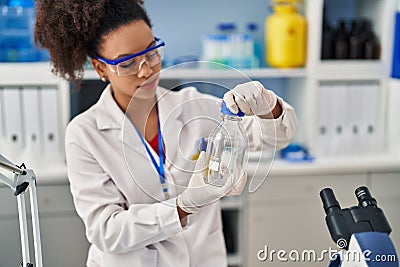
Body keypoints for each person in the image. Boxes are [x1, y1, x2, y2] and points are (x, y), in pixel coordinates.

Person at [34, 0, 298, 266]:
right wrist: (183, 205)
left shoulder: (193, 106)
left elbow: (272, 138)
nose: (146, 70)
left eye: (151, 53)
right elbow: (106, 231)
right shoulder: (85, 134)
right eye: (126, 64)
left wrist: (269, 107)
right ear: (101, 68)